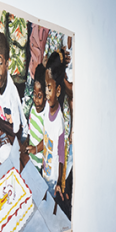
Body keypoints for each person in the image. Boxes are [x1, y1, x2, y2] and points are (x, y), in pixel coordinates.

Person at [39, 53, 68, 198]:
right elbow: (45, 139)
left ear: (57, 91)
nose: (46, 92)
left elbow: (61, 156)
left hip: (53, 180)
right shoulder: (46, 109)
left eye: (49, 88)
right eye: (46, 87)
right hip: (45, 172)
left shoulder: (59, 121)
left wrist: (59, 185)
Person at [0, 31, 26, 136]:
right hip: (3, 127)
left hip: (18, 132)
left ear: (7, 64)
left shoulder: (12, 92)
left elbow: (17, 129)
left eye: (0, 63)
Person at [24, 63, 47, 172]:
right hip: (31, 157)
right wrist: (27, 142)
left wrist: (36, 149)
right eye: (34, 94)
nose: (36, 99)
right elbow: (30, 129)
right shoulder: (33, 108)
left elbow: (46, 139)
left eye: (40, 96)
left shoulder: (46, 115)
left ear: (46, 96)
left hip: (39, 161)